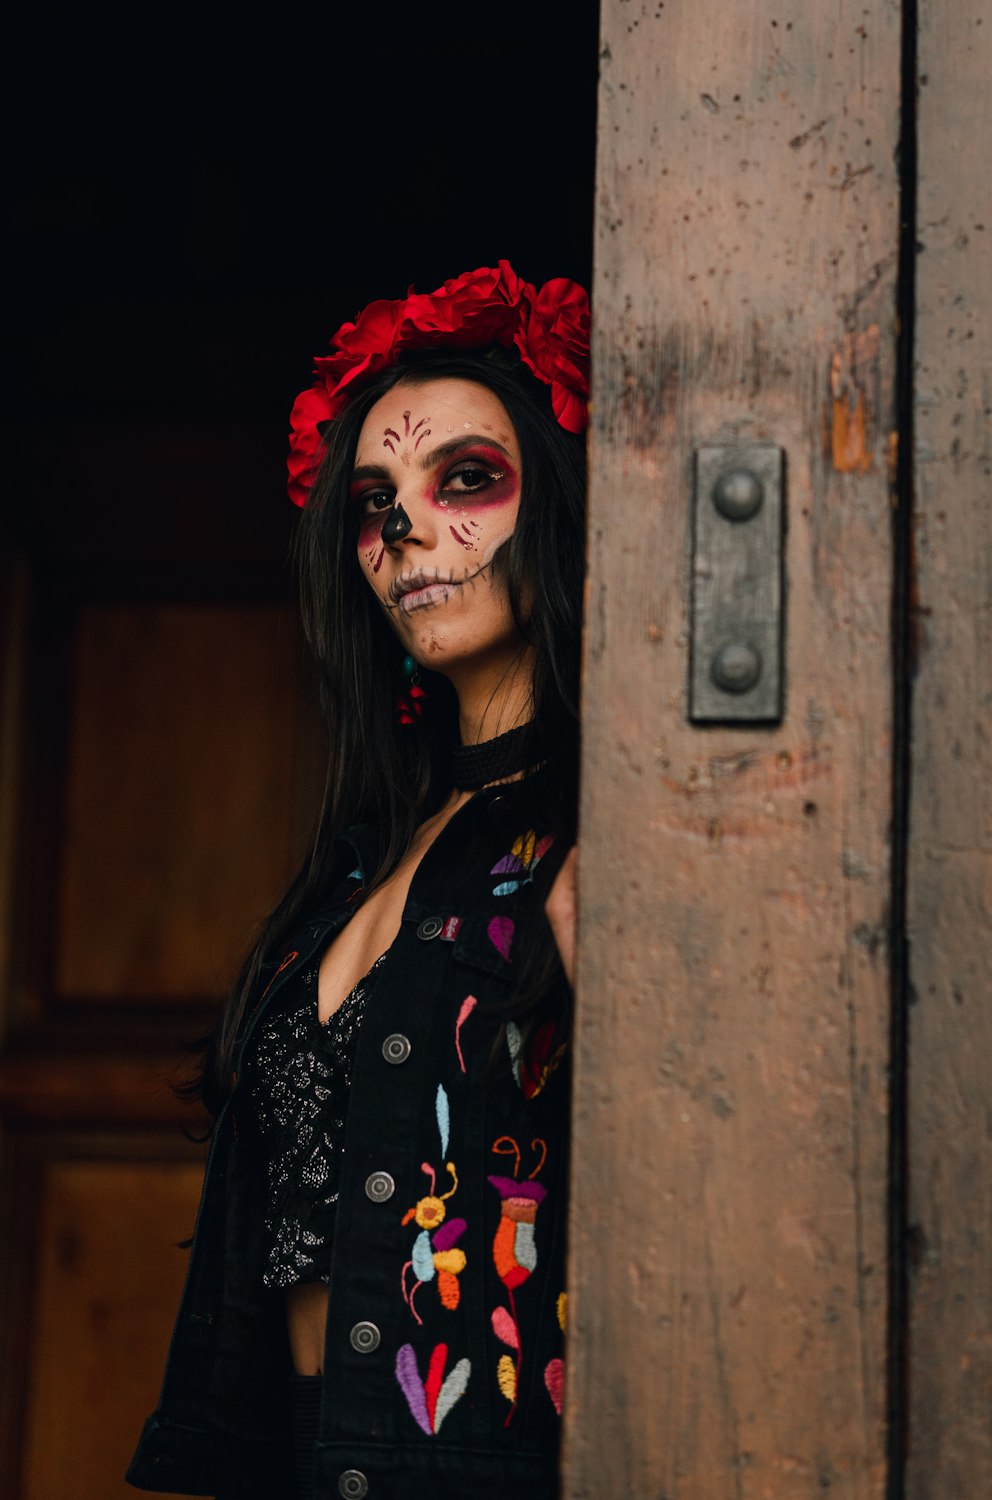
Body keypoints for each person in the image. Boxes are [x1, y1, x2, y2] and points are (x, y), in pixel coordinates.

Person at [127, 261, 588, 1500]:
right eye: (375, 499)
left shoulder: (604, 837)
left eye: (467, 482)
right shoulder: (370, 852)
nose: (405, 533)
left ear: (559, 506)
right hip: (292, 1456)